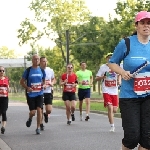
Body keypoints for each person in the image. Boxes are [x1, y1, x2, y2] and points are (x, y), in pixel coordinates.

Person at [107, 11, 150, 150]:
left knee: (147, 139)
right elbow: (112, 63)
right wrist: (122, 72)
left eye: (149, 23)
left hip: (148, 96)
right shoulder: (126, 43)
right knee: (132, 137)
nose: (146, 26)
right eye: (142, 23)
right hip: (129, 96)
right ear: (136, 25)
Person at [20, 54, 46, 135]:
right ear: (32, 60)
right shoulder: (28, 70)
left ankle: (38, 127)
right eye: (35, 59)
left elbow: (44, 80)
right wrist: (27, 87)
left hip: (39, 93)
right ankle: (30, 118)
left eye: (38, 59)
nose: (37, 60)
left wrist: (44, 85)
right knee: (33, 112)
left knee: (39, 110)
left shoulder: (42, 70)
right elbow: (21, 82)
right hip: (31, 94)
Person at [95, 53, 121, 132]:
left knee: (115, 110)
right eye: (108, 58)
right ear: (106, 59)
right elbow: (96, 78)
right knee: (110, 107)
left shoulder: (117, 66)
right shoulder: (103, 67)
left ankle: (111, 118)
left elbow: (120, 74)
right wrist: (103, 77)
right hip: (106, 89)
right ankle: (112, 126)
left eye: (112, 58)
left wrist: (119, 80)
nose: (110, 59)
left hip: (114, 90)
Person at [39, 56, 55, 130]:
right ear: (40, 62)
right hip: (40, 92)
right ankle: (41, 124)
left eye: (46, 61)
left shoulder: (50, 70)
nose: (45, 63)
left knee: (49, 110)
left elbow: (53, 79)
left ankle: (46, 114)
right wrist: (42, 85)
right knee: (40, 109)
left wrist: (52, 83)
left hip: (48, 92)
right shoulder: (37, 70)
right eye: (43, 61)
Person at [0, 66, 9, 134]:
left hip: (5, 98)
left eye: (3, 71)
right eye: (0, 71)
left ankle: (3, 127)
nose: (2, 72)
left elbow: (8, 87)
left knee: (4, 112)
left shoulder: (6, 79)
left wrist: (8, 89)